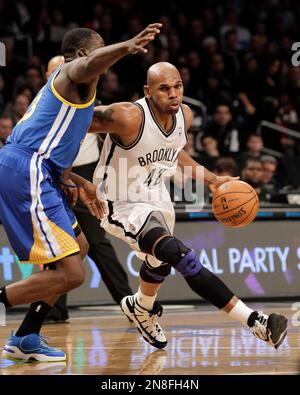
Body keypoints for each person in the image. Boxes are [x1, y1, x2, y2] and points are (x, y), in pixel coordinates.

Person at [88, 62, 287, 350]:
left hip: (156, 196)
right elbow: (73, 120)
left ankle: (140, 307)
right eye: (164, 88)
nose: (173, 94)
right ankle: (257, 323)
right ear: (147, 91)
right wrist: (71, 177)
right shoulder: (128, 117)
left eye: (177, 86)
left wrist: (212, 179)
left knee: (159, 261)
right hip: (121, 203)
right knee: (181, 256)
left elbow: (175, 151)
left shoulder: (185, 115)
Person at [0, 23, 162, 362]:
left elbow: (51, 144)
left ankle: (27, 335)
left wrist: (80, 182)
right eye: (100, 49)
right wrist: (125, 45)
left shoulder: (76, 100)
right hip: (29, 172)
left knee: (83, 247)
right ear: (86, 54)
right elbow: (87, 65)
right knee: (73, 274)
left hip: (43, 172)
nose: (104, 58)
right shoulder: (69, 73)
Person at [44, 56, 132, 323]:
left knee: (96, 242)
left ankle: (129, 302)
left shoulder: (83, 95)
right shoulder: (44, 102)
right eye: (54, 70)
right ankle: (52, 310)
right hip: (52, 175)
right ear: (46, 74)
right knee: (57, 246)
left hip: (83, 174)